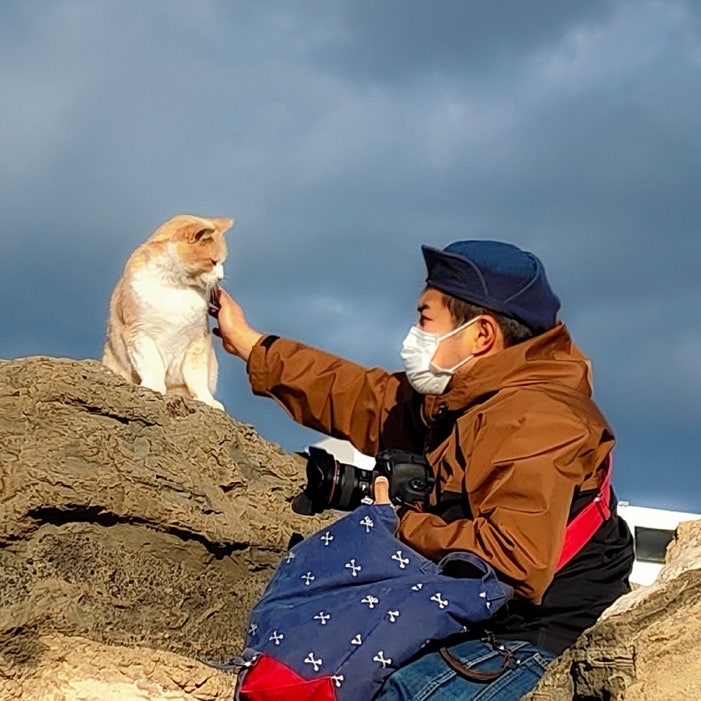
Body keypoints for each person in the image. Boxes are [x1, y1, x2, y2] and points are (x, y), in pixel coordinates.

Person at [213, 240, 634, 700]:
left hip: (535, 636)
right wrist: (254, 347)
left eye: (425, 318)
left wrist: (398, 524)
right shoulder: (466, 394)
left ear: (482, 335)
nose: (415, 332)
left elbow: (515, 560)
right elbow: (367, 399)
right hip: (476, 608)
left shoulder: (536, 420)